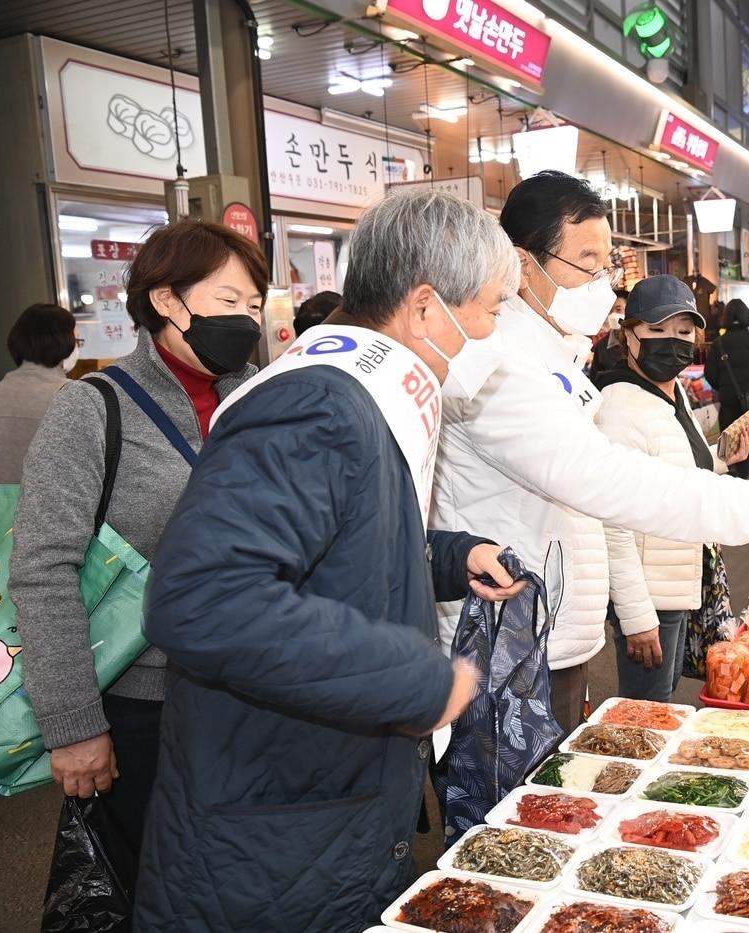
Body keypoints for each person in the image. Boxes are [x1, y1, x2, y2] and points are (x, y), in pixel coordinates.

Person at [134, 191, 524, 930]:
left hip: (328, 802)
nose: (494, 331)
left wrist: (446, 557)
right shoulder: (319, 403)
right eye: (491, 307)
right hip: (275, 826)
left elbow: (337, 544)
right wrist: (416, 677)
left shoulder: (365, 392)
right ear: (423, 307)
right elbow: (203, 597)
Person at [432, 171, 749, 735]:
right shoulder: (504, 361)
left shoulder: (553, 355)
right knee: (515, 812)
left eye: (606, 264)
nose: (601, 281)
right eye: (586, 261)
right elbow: (604, 479)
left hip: (549, 628)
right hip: (509, 636)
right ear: (524, 265)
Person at [9, 220, 267, 918]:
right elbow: (42, 570)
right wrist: (73, 725)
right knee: (156, 892)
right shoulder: (92, 410)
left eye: (254, 304)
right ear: (167, 301)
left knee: (244, 888)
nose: (246, 319)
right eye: (229, 300)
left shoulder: (265, 399)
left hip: (257, 694)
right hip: (142, 706)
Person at [594, 276, 749, 701]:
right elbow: (613, 522)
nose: (673, 341)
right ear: (629, 335)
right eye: (657, 330)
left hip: (680, 580)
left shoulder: (674, 392)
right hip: (650, 594)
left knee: (662, 700)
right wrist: (635, 615)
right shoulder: (619, 406)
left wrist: (723, 457)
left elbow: (680, 468)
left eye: (684, 331)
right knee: (646, 711)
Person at [0, 303, 77, 484]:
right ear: (63, 341)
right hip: (53, 505)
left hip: (7, 506)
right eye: (76, 339)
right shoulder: (69, 393)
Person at [703, 298, 749, 479]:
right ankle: (744, 476)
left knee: (728, 442)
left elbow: (710, 373)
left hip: (728, 402)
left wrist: (723, 388)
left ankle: (730, 474)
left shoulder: (719, 343)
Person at [588, 286, 629, 378]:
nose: (613, 314)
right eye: (610, 311)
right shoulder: (601, 347)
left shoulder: (640, 340)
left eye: (618, 309)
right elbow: (595, 379)